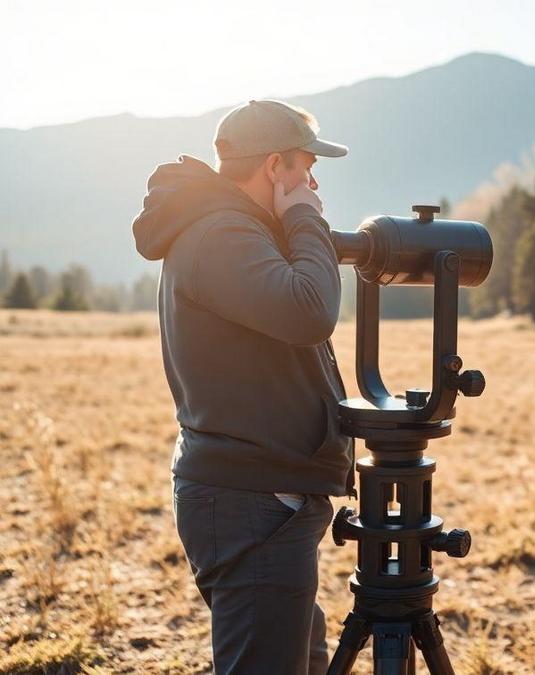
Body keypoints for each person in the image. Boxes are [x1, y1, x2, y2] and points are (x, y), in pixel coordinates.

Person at [132, 99, 353, 674]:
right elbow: (309, 311)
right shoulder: (221, 234)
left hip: (263, 495)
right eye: (305, 166)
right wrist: (307, 218)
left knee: (297, 657)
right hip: (254, 501)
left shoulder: (234, 229)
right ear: (275, 165)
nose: (312, 180)